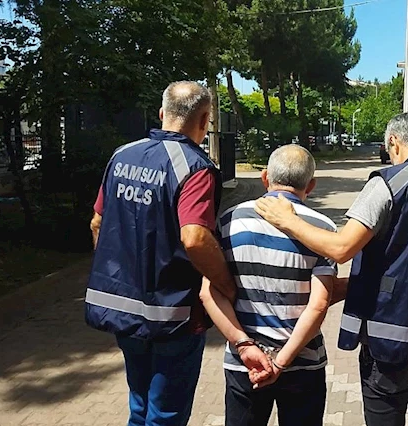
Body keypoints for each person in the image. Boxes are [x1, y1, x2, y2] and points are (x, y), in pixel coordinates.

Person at [255, 112, 408, 426]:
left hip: (393, 345)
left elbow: (341, 249)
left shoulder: (389, 183)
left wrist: (287, 220)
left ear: (393, 143)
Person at [86, 81, 271, 426]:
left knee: (140, 406)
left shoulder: (121, 155)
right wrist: (225, 284)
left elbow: (97, 222)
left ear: (161, 113)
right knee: (165, 415)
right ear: (204, 120)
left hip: (121, 311)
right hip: (171, 316)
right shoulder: (195, 168)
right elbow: (195, 238)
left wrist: (119, 274)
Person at [207, 144, 337, 426]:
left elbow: (208, 292)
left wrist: (243, 345)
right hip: (303, 363)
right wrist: (281, 361)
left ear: (265, 177)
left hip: (246, 363)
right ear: (311, 185)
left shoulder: (229, 220)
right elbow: (319, 305)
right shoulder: (323, 229)